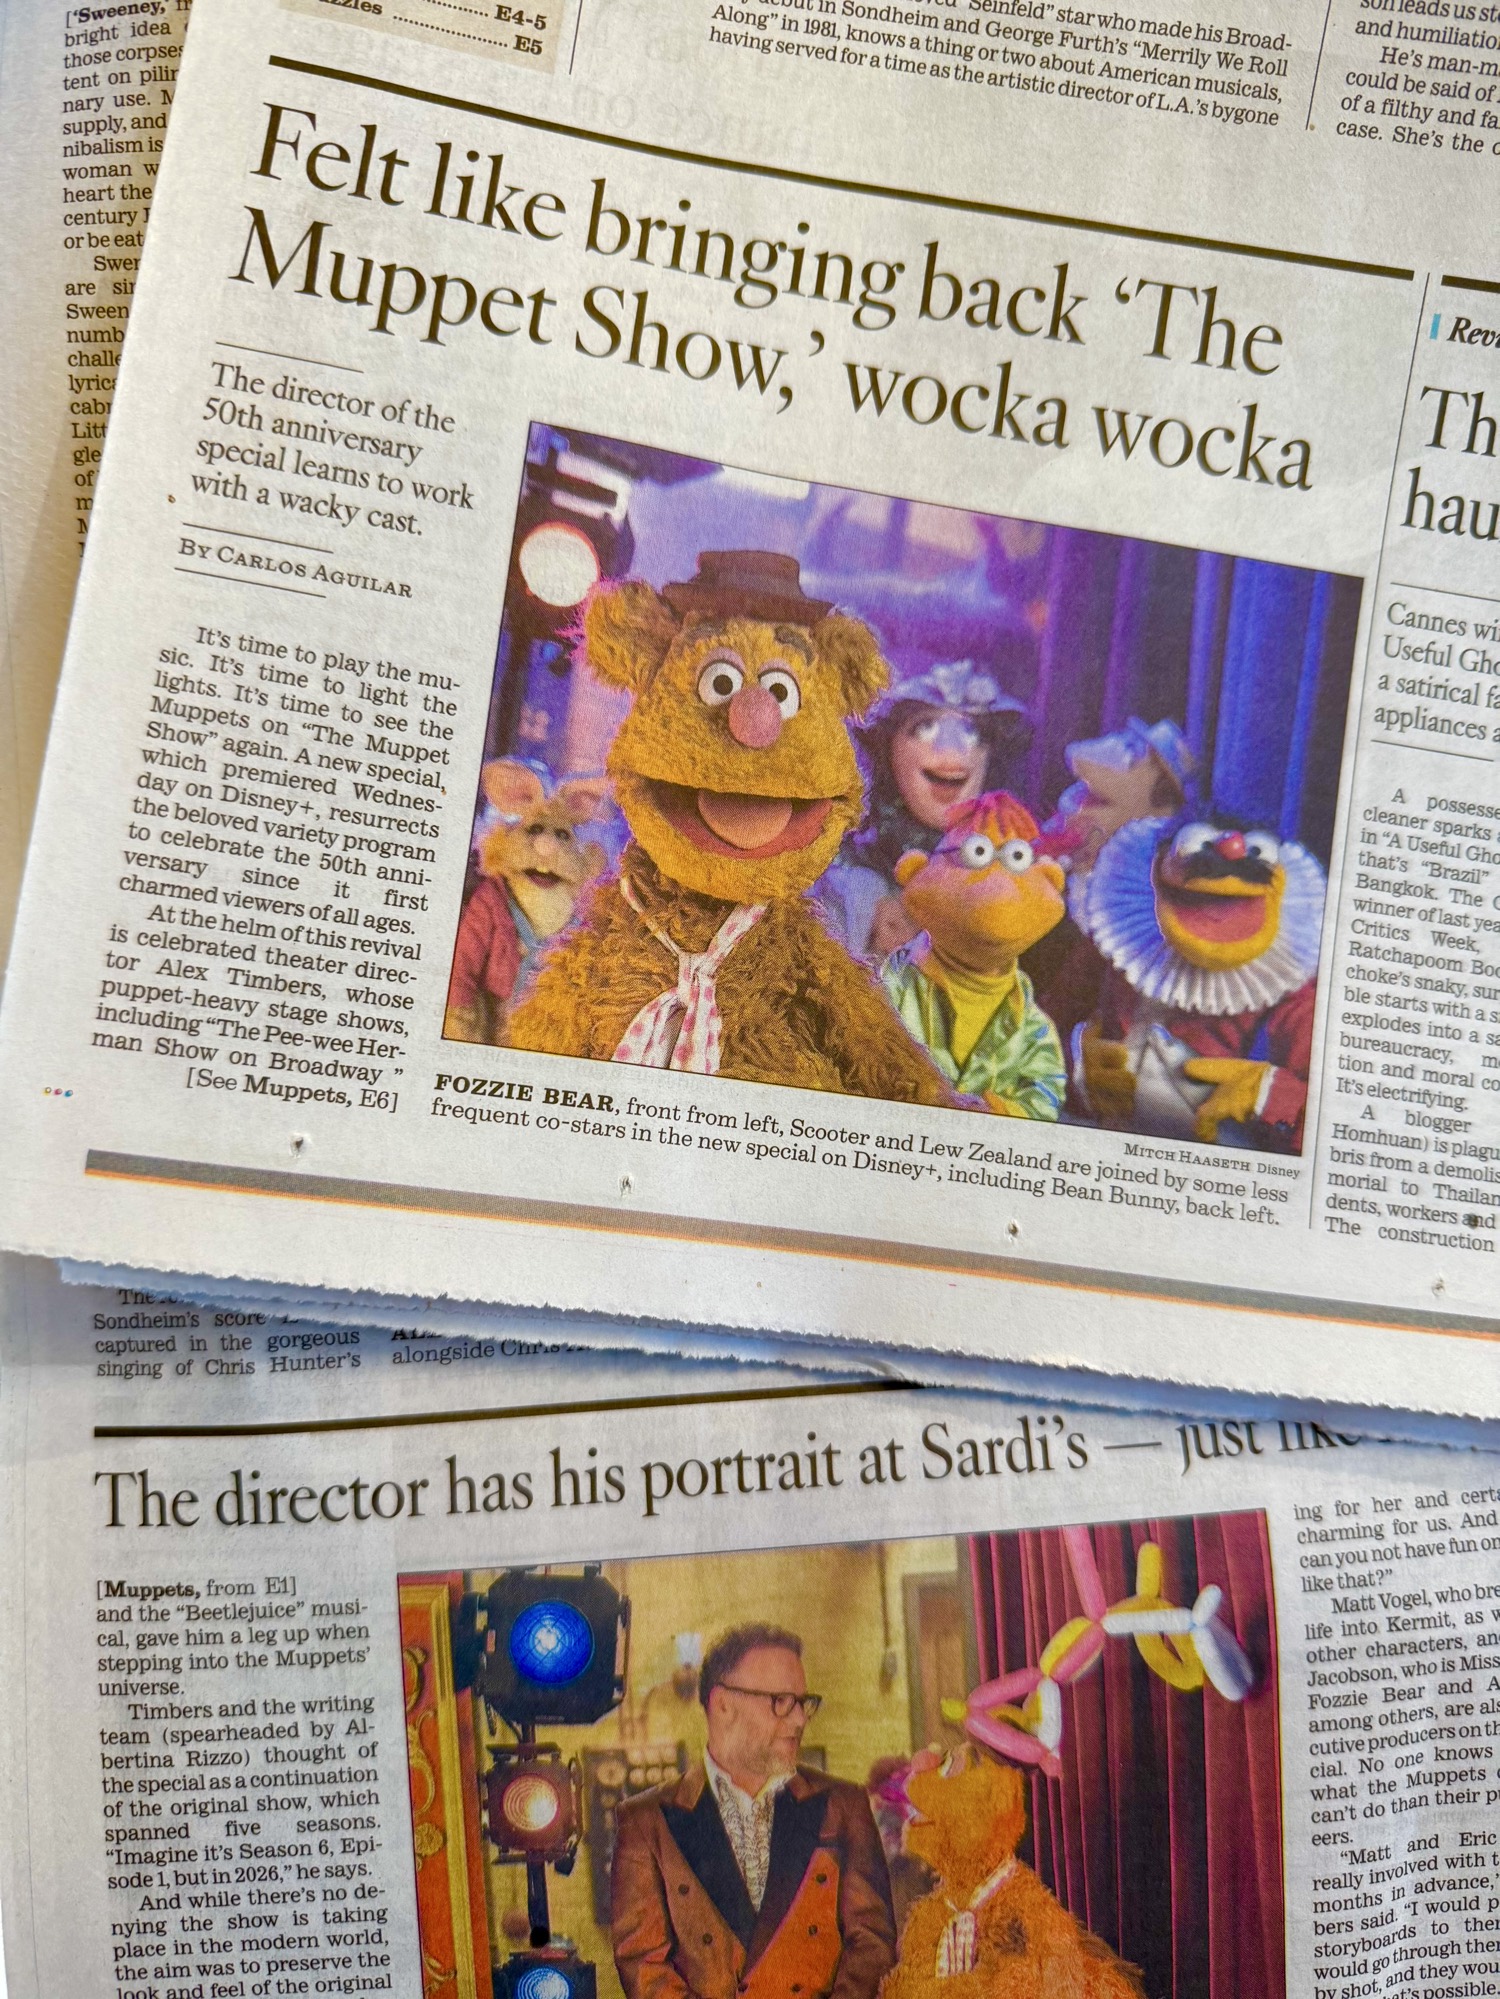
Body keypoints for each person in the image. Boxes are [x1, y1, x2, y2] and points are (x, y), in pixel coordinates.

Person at [611, 1623, 897, 1999]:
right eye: (781, 1701)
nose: (799, 1720)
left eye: (803, 1702)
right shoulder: (646, 1822)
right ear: (723, 1705)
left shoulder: (844, 1806)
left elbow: (872, 1944)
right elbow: (645, 1967)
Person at [813, 660, 1031, 962]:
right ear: (887, 746)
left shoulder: (1007, 855)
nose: (952, 751)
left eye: (972, 731)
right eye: (926, 727)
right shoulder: (841, 863)